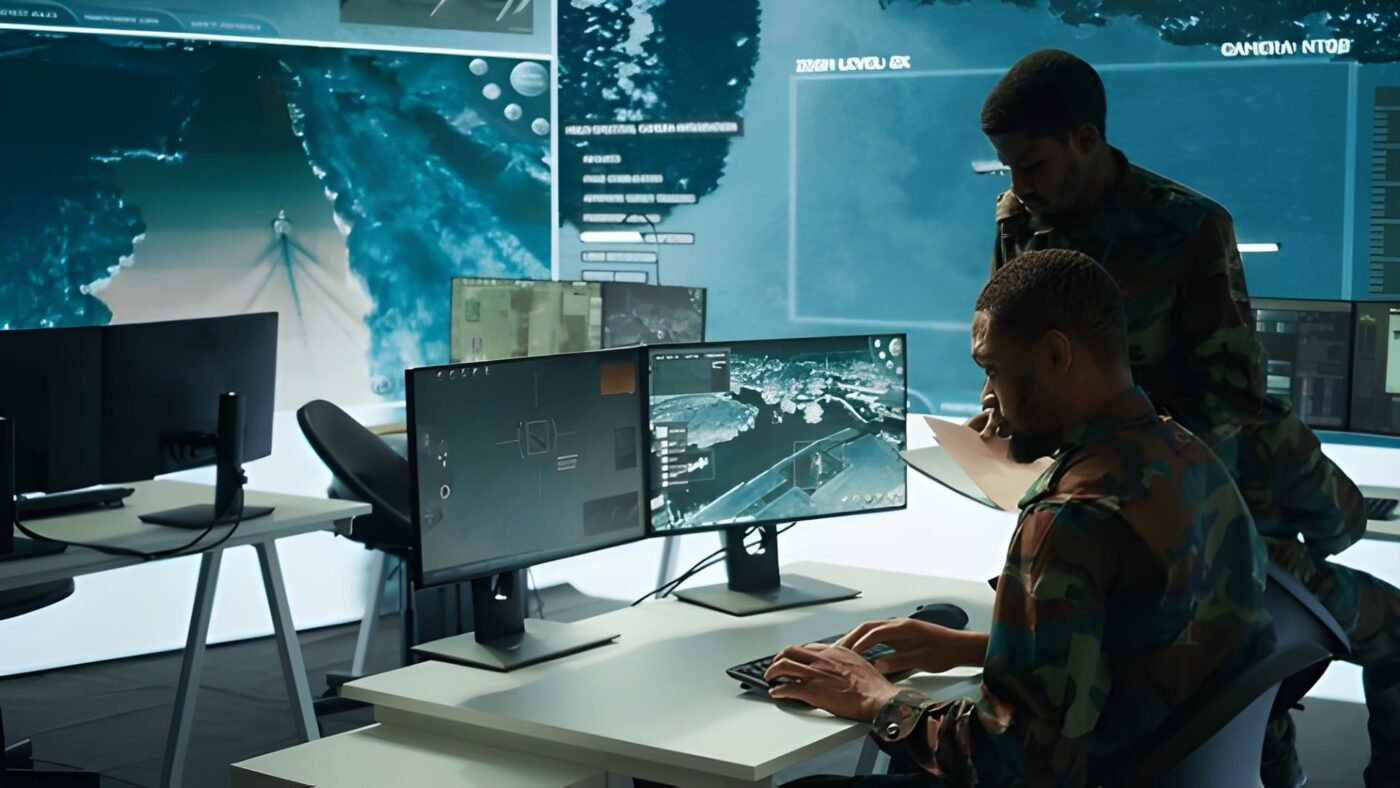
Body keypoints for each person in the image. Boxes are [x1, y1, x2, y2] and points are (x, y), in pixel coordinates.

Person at [969, 48, 1399, 786]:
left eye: (1032, 165)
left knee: (1242, 704)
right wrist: (1000, 405)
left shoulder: (1187, 228)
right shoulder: (1021, 219)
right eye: (1007, 169)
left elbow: (1232, 399)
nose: (1018, 187)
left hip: (1188, 498)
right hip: (1100, 499)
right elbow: (1009, 335)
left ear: (1086, 138)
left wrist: (1151, 480)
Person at [765, 249, 1274, 786]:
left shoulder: (1069, 518)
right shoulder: (1189, 456)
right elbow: (1146, 645)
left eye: (993, 370)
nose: (987, 398)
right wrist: (970, 648)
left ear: (1055, 355)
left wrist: (877, 698)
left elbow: (1013, 762)